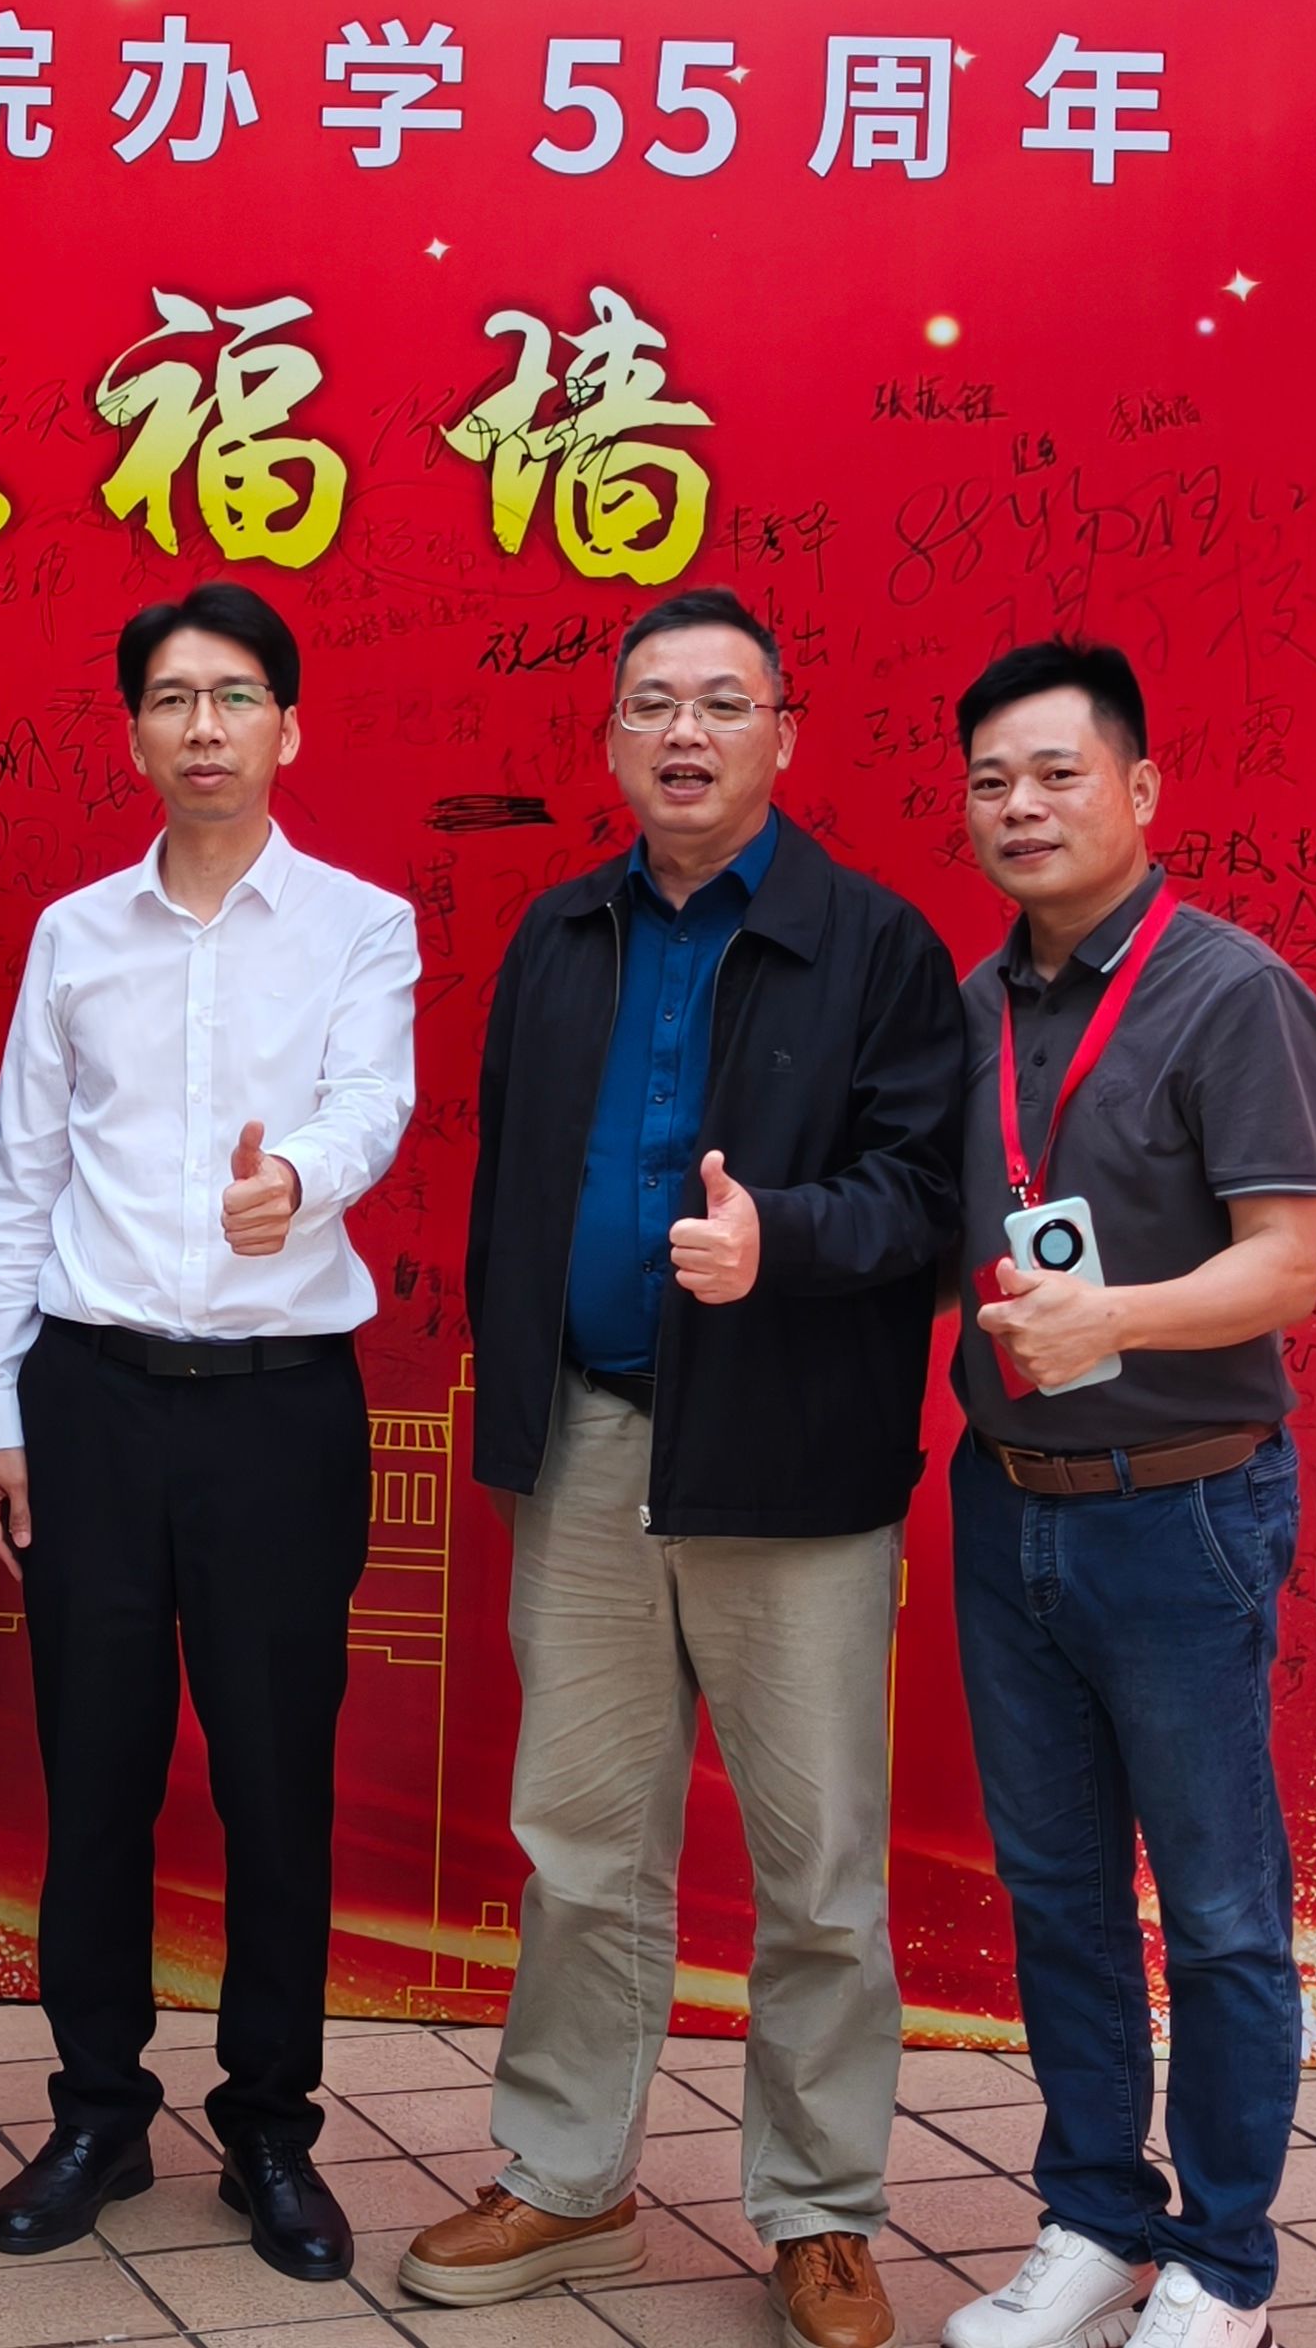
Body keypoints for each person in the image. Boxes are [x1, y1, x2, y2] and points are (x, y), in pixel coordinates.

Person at [398, 588, 960, 2348]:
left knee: (819, 1873)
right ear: (613, 740)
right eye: (653, 704)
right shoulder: (560, 933)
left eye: (724, 702)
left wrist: (779, 1238)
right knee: (579, 1849)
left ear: (786, 731)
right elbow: (509, 1182)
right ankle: (570, 2180)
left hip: (790, 1471)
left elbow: (927, 1198)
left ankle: (821, 2211)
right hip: (585, 1447)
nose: (686, 733)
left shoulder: (874, 944)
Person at [0, 583, 420, 2282]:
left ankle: (271, 2128)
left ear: (289, 726)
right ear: (136, 733)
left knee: (273, 1781)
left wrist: (298, 1178)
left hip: (279, 1411)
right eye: (171, 697)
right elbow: (18, 1178)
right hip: (89, 1403)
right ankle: (97, 2109)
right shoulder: (77, 934)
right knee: (94, 1773)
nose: (204, 726)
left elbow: (373, 1096)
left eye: (235, 695)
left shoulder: (363, 925)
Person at [933, 641, 1316, 2348]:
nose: (1021, 808)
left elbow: (1286, 1267)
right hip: (1007, 1504)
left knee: (1223, 1912)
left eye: (1057, 774)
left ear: (1141, 789)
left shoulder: (1230, 993)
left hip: (1181, 1513)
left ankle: (1226, 2263)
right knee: (1059, 1895)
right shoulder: (967, 1010)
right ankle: (1097, 2220)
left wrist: (1114, 1320)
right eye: (991, 783)